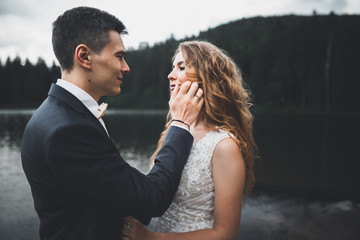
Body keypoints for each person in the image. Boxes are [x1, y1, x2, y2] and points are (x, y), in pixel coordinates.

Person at [21, 7, 204, 240]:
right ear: (84, 56)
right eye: (119, 56)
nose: (126, 67)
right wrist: (180, 123)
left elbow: (104, 190)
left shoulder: (49, 116)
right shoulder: (67, 131)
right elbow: (151, 199)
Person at [121, 41, 257, 239]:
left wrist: (149, 237)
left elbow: (225, 234)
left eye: (181, 67)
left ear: (206, 77)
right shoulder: (174, 131)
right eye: (172, 66)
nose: (170, 74)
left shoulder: (224, 145)